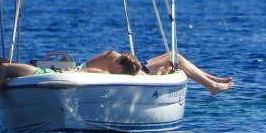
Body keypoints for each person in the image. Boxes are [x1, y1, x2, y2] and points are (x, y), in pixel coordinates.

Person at [0, 52, 142, 119]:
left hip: (48, 75)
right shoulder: (106, 75)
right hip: (54, 74)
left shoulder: (102, 74)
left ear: (119, 66)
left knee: (4, 67)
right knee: (4, 71)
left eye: (116, 61)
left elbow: (77, 74)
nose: (112, 60)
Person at [84, 50, 234, 95]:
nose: (112, 61)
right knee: (176, 59)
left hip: (138, 70)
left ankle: (212, 81)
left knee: (174, 55)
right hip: (139, 72)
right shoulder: (108, 65)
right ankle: (211, 84)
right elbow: (91, 71)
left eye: (115, 61)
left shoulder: (112, 61)